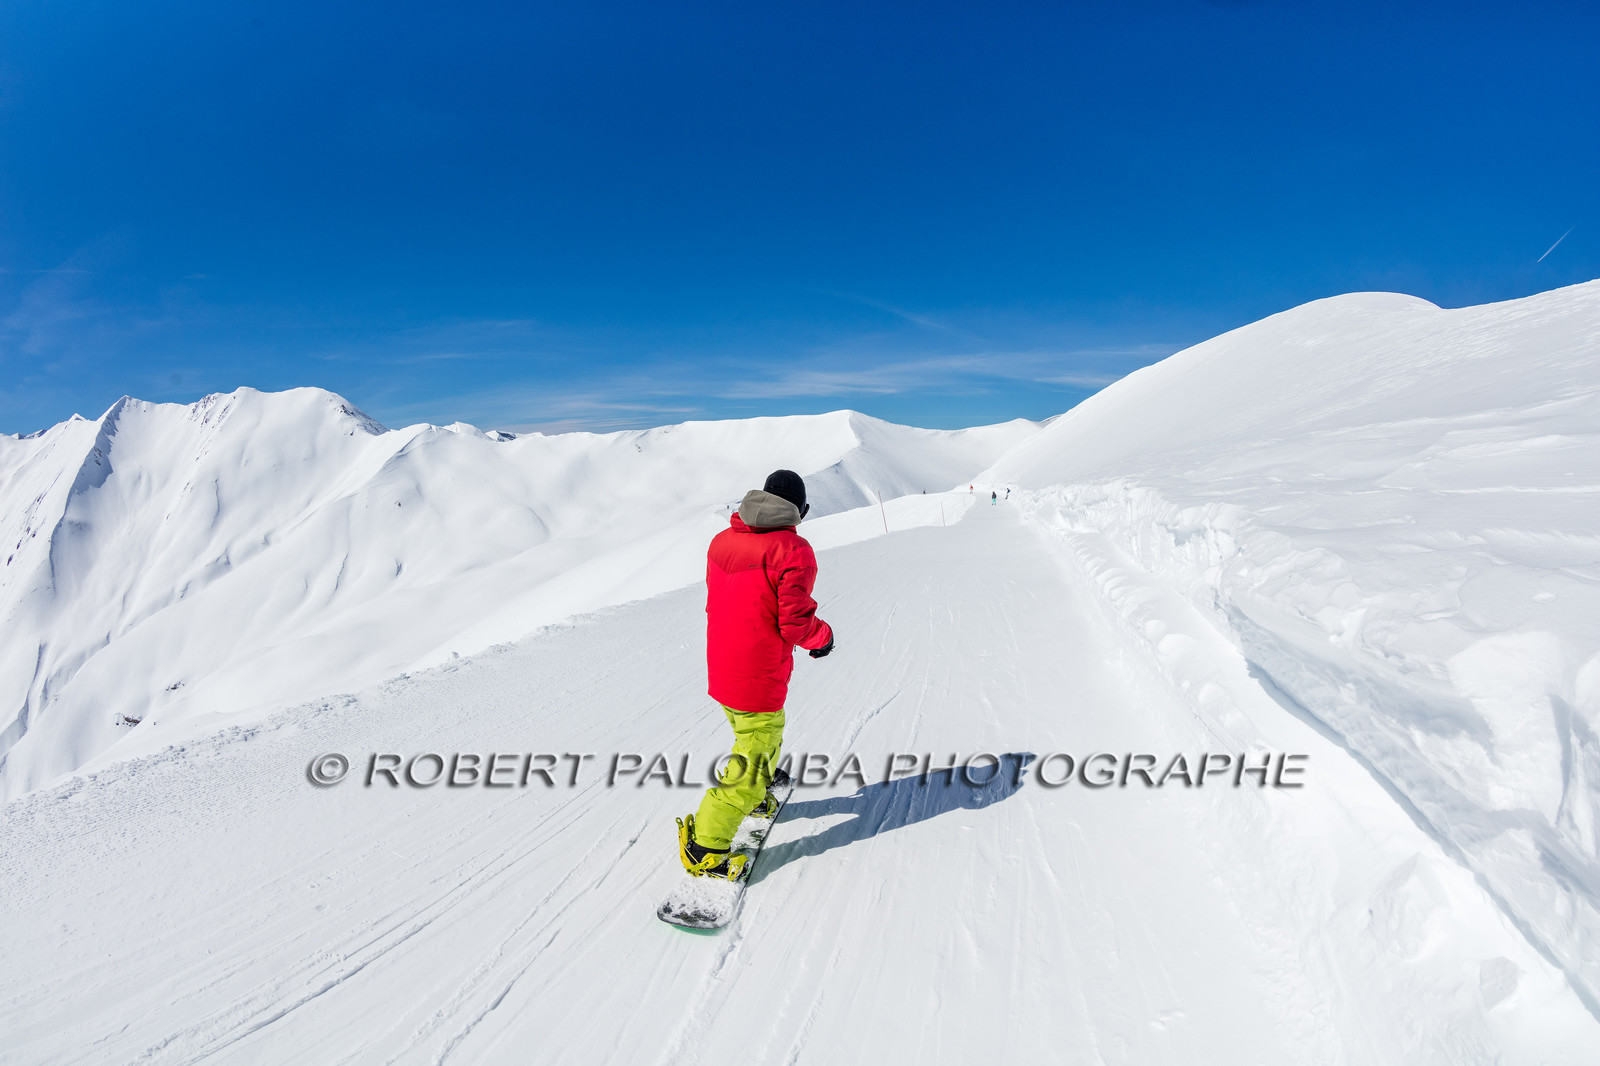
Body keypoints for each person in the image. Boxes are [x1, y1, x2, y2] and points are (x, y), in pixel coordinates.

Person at [678, 469, 834, 879]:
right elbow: (796, 623)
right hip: (758, 674)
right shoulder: (792, 549)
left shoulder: (722, 540)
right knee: (753, 753)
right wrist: (823, 638)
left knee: (751, 738)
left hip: (724, 666)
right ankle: (706, 846)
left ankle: (755, 792)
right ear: (799, 511)